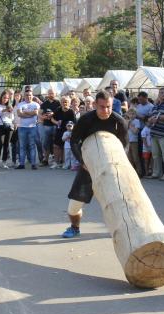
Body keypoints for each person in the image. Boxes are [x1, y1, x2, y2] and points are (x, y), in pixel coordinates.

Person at [61, 90, 128, 238]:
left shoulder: (119, 122)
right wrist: (82, 161)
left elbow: (124, 146)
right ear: (95, 105)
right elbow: (74, 141)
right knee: (73, 207)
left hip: (112, 169)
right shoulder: (86, 120)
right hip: (89, 168)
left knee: (120, 204)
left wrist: (120, 166)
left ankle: (124, 231)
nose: (106, 110)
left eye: (108, 106)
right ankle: (74, 227)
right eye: (102, 107)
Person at [147, 88, 164, 180]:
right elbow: (150, 118)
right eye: (161, 93)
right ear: (158, 94)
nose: (163, 94)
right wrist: (150, 119)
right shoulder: (155, 106)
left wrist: (156, 118)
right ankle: (156, 173)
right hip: (154, 133)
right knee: (155, 155)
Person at [15, 90, 40, 170]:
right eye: (26, 95)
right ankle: (21, 164)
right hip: (22, 127)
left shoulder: (36, 104)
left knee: (32, 146)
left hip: (32, 127)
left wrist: (25, 113)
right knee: (22, 146)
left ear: (32, 95)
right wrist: (31, 114)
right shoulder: (20, 104)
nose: (28, 96)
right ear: (24, 96)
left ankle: (33, 164)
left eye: (30, 95)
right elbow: (19, 114)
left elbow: (36, 113)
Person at [51, 96, 75, 169]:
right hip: (59, 130)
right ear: (61, 103)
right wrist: (56, 122)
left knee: (65, 148)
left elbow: (74, 123)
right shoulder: (58, 110)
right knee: (56, 146)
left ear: (69, 103)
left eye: (66, 102)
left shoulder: (71, 111)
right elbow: (52, 118)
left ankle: (65, 163)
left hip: (68, 131)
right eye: (63, 102)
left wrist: (70, 132)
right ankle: (56, 162)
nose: (65, 103)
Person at [0, 90, 14, 168]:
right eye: (4, 98)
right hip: (0, 126)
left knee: (6, 145)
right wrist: (2, 111)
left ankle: (4, 162)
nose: (5, 99)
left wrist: (10, 112)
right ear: (1, 97)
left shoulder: (9, 106)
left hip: (8, 126)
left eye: (7, 98)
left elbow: (12, 118)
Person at [39, 88, 60, 165]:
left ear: (55, 94)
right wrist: (43, 117)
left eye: (52, 93)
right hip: (46, 125)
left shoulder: (58, 103)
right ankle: (45, 159)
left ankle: (56, 160)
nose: (51, 95)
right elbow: (39, 114)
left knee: (55, 143)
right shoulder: (44, 104)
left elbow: (61, 113)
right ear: (47, 94)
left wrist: (53, 114)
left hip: (56, 126)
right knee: (45, 143)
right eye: (50, 93)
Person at [125, 107, 143, 176]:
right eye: (130, 114)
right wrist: (128, 123)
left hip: (134, 141)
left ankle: (139, 172)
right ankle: (132, 173)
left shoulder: (137, 121)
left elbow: (136, 132)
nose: (131, 115)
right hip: (127, 141)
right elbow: (124, 129)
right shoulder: (126, 121)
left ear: (135, 114)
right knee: (129, 158)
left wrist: (130, 125)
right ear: (128, 114)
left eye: (133, 114)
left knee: (135, 157)